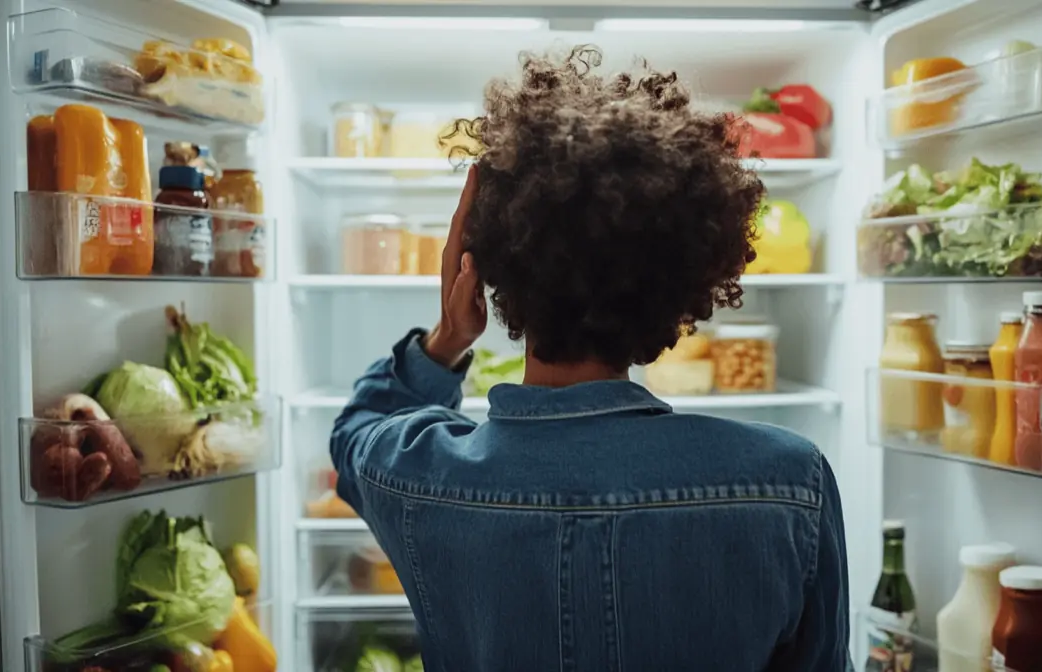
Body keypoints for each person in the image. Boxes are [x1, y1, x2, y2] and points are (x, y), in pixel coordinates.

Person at [331, 46, 850, 671]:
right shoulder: (789, 483)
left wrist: (446, 337)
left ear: (490, 264)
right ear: (690, 281)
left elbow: (353, 435)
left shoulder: (413, 472)